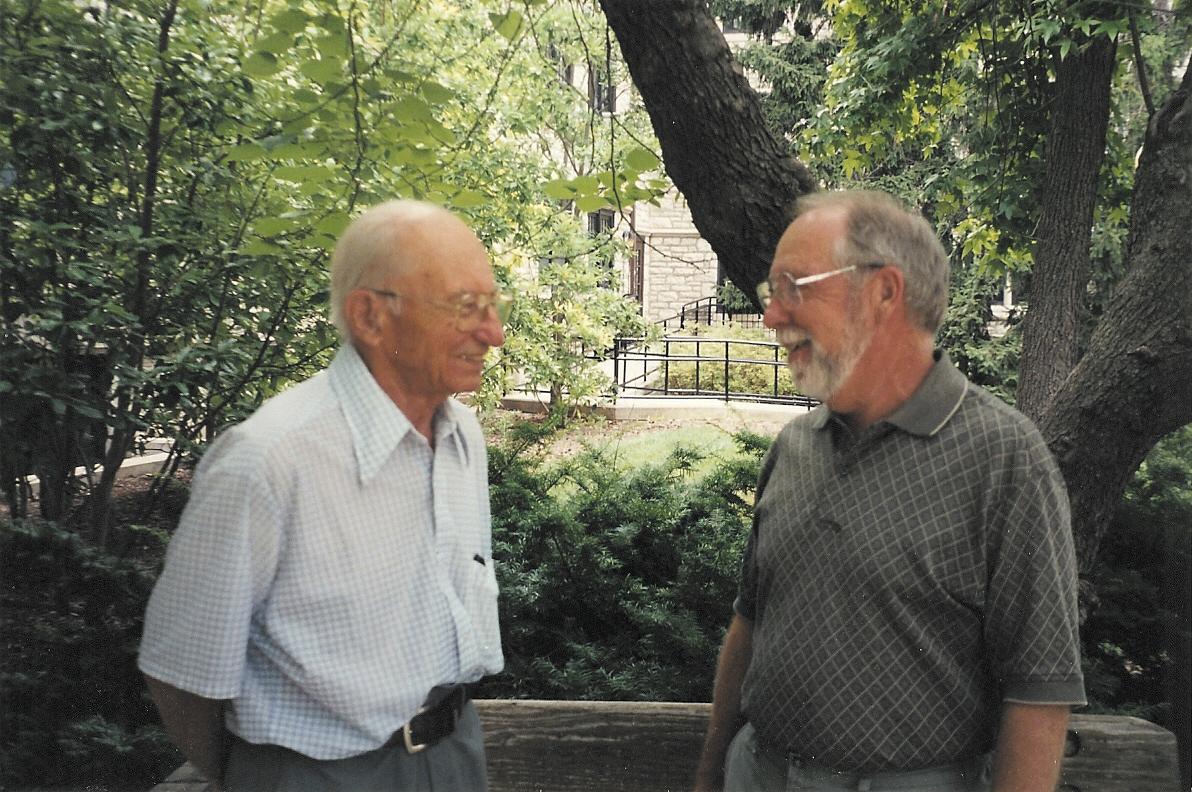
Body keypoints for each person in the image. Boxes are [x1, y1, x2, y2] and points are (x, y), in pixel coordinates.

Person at [694, 190, 1085, 792]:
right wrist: (710, 774)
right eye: (770, 293)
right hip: (759, 773)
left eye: (795, 287)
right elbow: (748, 624)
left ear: (884, 293)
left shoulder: (1005, 459)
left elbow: (1039, 692)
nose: (772, 315)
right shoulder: (795, 446)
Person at [139, 200, 511, 792]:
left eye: (492, 305)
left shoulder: (462, 432)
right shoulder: (267, 460)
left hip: (455, 753)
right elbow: (181, 673)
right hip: (316, 773)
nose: (492, 333)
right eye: (465, 307)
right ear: (370, 317)